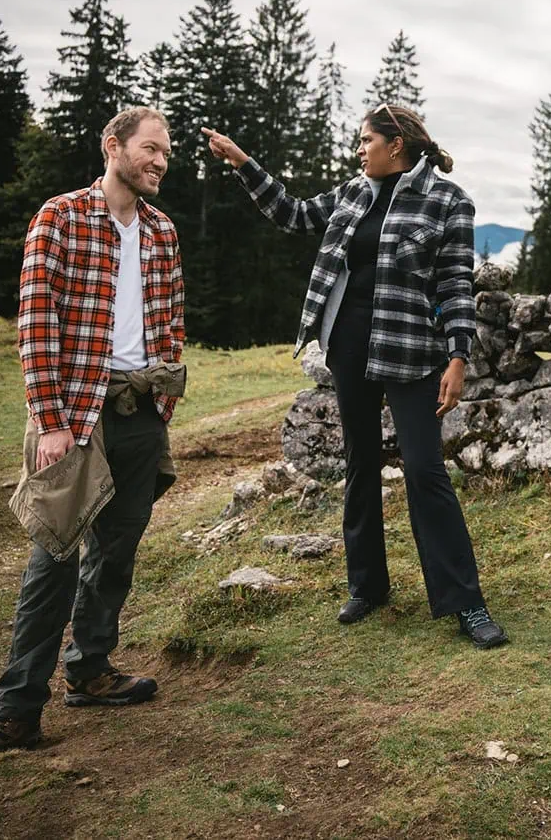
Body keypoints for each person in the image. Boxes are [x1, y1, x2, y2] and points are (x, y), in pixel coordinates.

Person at [202, 104, 506, 648]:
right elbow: (293, 214)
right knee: (360, 463)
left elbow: (456, 286)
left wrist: (458, 358)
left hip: (412, 350)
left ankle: (466, 602)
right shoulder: (351, 193)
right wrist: (243, 162)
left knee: (424, 471)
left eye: (367, 140)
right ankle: (367, 586)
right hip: (347, 344)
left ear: (398, 144)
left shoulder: (448, 202)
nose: (359, 150)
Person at [0, 107, 185, 767]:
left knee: (116, 550)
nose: (160, 161)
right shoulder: (60, 216)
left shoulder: (163, 231)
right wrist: (50, 420)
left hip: (140, 411)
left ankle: (90, 671)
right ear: (113, 146)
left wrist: (161, 395)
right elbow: (35, 326)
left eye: (166, 152)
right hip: (74, 416)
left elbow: (171, 320)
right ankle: (17, 710)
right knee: (52, 559)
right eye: (149, 148)